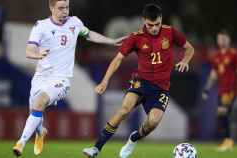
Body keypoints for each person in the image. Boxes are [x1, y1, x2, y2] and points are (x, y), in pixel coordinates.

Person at [12, 0, 124, 156]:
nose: (65, 11)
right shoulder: (41, 26)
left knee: (40, 103)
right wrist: (37, 54)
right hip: (40, 77)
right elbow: (29, 50)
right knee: (35, 112)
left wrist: (111, 41)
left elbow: (89, 34)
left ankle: (20, 143)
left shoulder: (75, 22)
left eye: (67, 8)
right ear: (51, 7)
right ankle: (40, 132)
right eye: (61, 8)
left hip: (62, 79)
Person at [83, 3, 194, 158]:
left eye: (157, 24)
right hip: (140, 82)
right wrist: (104, 81)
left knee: (153, 122)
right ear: (144, 21)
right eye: (150, 25)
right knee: (123, 111)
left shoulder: (170, 32)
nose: (154, 28)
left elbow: (189, 48)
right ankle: (96, 148)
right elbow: (117, 60)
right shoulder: (135, 37)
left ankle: (133, 138)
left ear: (161, 19)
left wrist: (185, 61)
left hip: (161, 88)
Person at [202, 30, 237, 151]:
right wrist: (206, 89)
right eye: (219, 39)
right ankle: (227, 141)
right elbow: (213, 74)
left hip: (231, 90)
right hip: (221, 90)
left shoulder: (233, 54)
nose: (221, 41)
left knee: (222, 111)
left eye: (224, 39)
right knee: (222, 114)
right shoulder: (217, 56)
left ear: (228, 40)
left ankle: (228, 141)